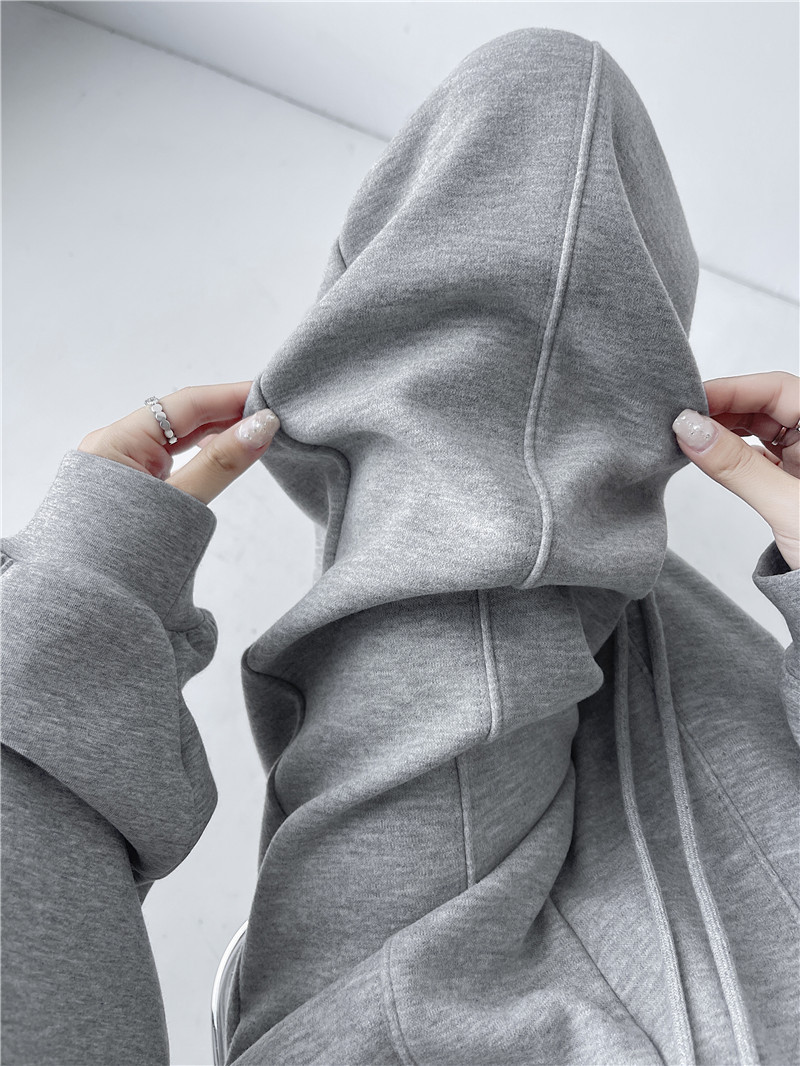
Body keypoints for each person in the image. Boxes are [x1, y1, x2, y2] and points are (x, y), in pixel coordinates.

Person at [2, 26, 798, 1066]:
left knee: (537, 113)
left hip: (414, 1023)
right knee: (541, 122)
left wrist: (80, 597)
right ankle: (468, 469)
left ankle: (427, 466)